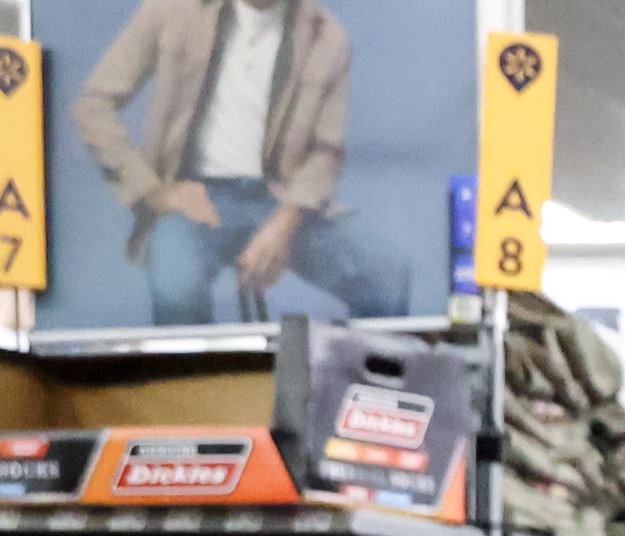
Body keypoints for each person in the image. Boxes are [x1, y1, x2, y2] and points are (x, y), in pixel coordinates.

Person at [73, 0, 411, 327]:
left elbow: (326, 151)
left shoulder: (327, 37)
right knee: (176, 291)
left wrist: (286, 221)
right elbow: (94, 106)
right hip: (196, 200)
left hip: (283, 199)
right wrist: (155, 192)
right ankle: (199, 385)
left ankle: (355, 382)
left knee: (386, 274)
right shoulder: (171, 9)